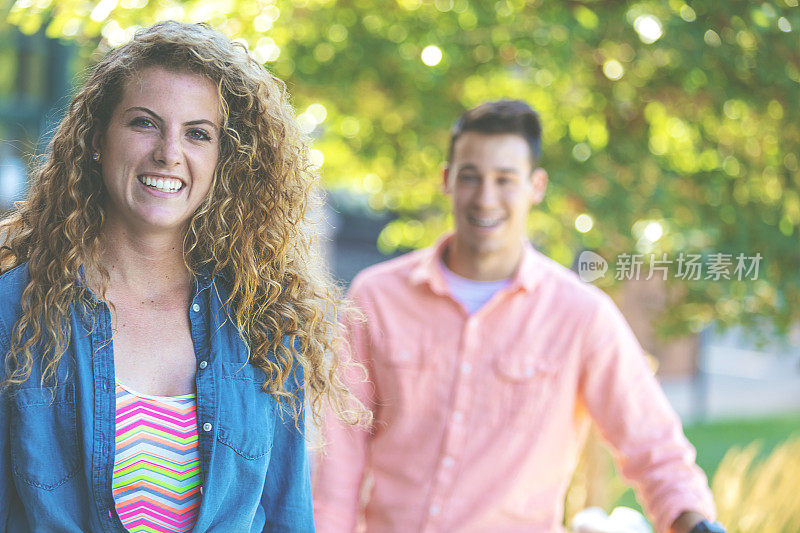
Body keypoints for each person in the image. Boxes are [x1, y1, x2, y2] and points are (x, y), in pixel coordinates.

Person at [0, 21, 361, 532]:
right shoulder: (15, 311)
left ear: (221, 161)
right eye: (145, 123)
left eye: (198, 134)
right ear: (97, 139)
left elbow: (287, 515)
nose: (170, 153)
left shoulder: (262, 322)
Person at [312, 100, 725, 533]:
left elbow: (655, 449)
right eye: (470, 177)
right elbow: (340, 456)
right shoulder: (377, 296)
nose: (485, 198)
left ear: (536, 186)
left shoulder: (581, 316)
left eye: (505, 180)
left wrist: (694, 524)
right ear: (447, 180)